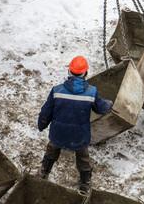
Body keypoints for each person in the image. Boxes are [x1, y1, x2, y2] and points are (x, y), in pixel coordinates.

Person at [36, 56, 113, 193]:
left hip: (58, 134)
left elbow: (46, 112)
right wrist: (109, 104)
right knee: (83, 158)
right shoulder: (92, 92)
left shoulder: (57, 91)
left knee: (51, 150)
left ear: (69, 72)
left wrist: (41, 125)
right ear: (86, 73)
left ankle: (43, 172)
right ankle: (85, 183)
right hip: (80, 137)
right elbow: (101, 109)